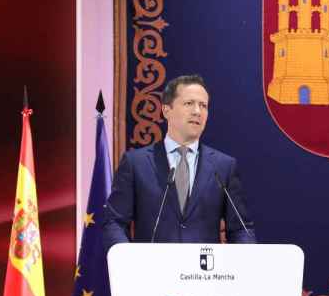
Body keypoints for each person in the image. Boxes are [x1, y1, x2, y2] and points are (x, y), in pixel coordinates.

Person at [101, 74, 256, 246]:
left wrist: (244, 263)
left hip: (204, 271)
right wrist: (127, 260)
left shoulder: (223, 167)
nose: (197, 111)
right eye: (189, 103)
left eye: (203, 105)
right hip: (151, 270)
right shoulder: (136, 164)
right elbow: (114, 222)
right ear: (166, 110)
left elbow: (241, 228)